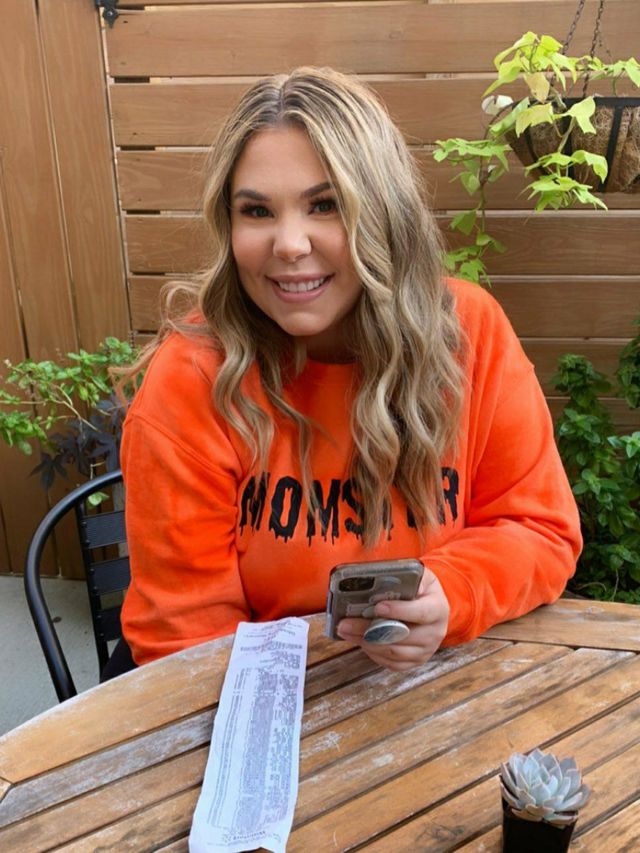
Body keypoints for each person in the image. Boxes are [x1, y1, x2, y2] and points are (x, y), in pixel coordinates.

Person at [116, 66, 581, 675]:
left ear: (384, 212)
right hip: (262, 696)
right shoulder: (193, 378)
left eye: (325, 205)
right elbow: (185, 638)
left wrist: (451, 593)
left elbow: (538, 529)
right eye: (257, 211)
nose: (289, 243)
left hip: (440, 680)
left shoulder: (470, 332)